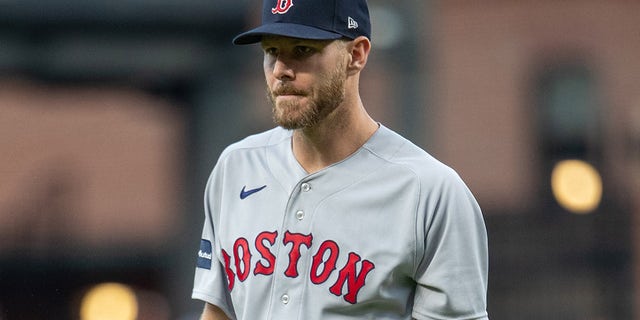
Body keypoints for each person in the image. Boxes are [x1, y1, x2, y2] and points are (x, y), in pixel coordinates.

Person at [192, 0, 489, 319]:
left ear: (357, 54)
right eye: (272, 51)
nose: (281, 70)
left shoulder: (430, 192)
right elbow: (218, 311)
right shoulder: (236, 167)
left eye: (303, 50)